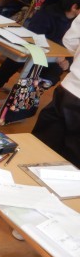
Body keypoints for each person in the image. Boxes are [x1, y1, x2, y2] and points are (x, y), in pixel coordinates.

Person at [0, 0, 80, 111]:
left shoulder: (76, 23)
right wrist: (56, 54)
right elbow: (34, 38)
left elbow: (75, 49)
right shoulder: (48, 13)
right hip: (37, 51)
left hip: (54, 61)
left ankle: (16, 103)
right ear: (75, 7)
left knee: (52, 75)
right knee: (16, 59)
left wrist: (67, 62)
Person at [32, 14, 80, 167]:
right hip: (71, 87)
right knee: (73, 159)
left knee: (42, 142)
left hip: (70, 88)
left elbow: (69, 41)